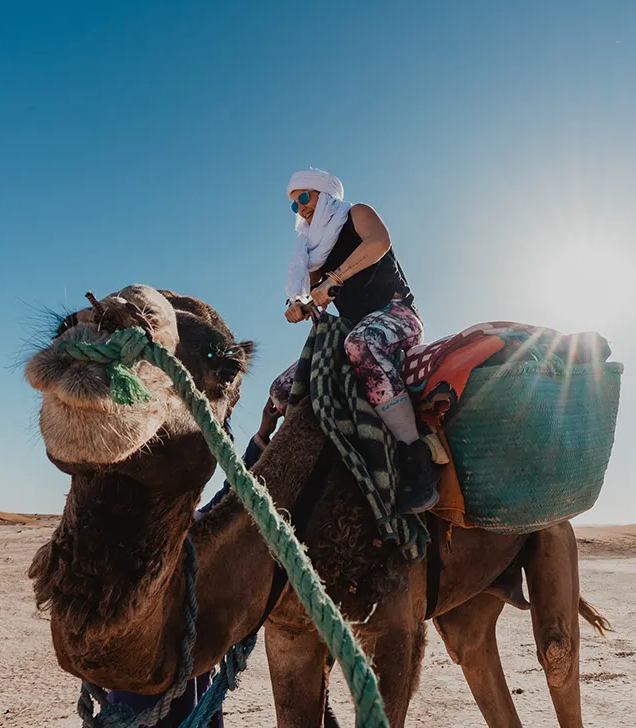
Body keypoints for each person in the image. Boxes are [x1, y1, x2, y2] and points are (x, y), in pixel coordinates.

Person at [102, 398, 283, 727]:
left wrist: (261, 436)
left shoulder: (190, 529)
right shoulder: (121, 542)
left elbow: (232, 494)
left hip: (187, 676)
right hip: (140, 682)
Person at [276, 167, 439, 515]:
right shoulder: (313, 252)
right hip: (354, 328)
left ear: (323, 193)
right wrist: (299, 306)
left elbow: (379, 243)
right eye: (294, 205)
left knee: (360, 345)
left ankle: (415, 453)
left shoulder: (357, 213)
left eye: (303, 197)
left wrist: (333, 279)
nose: (300, 209)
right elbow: (314, 297)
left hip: (396, 315)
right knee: (284, 388)